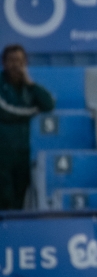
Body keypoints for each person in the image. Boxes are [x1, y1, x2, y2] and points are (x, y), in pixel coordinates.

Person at [0, 44, 54, 210]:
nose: (16, 65)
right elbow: (6, 112)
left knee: (19, 198)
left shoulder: (29, 88)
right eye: (12, 60)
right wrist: (31, 111)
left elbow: (48, 104)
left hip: (22, 152)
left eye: (20, 61)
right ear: (4, 63)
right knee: (5, 198)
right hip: (2, 153)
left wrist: (30, 83)